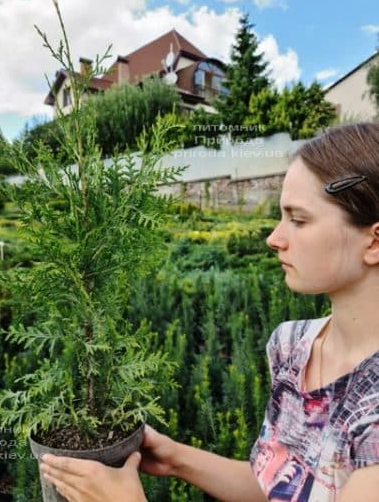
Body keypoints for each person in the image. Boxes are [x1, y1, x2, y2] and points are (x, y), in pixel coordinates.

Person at [39, 122, 379, 501]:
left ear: (374, 241)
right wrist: (176, 460)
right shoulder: (292, 346)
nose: (274, 238)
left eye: (298, 220)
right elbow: (278, 487)